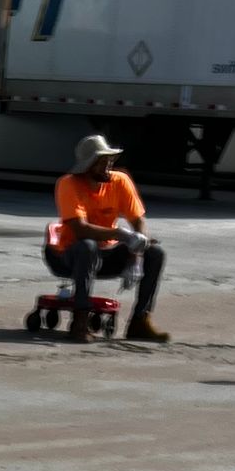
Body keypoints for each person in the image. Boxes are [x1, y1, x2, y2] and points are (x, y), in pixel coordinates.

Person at [53, 135, 167, 345]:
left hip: (106, 252)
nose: (108, 165)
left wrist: (136, 255)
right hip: (69, 254)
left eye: (110, 160)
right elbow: (80, 230)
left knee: (155, 253)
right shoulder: (68, 184)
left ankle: (140, 321)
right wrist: (121, 234)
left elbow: (137, 220)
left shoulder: (120, 181)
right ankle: (80, 321)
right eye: (101, 161)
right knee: (87, 246)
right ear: (87, 166)